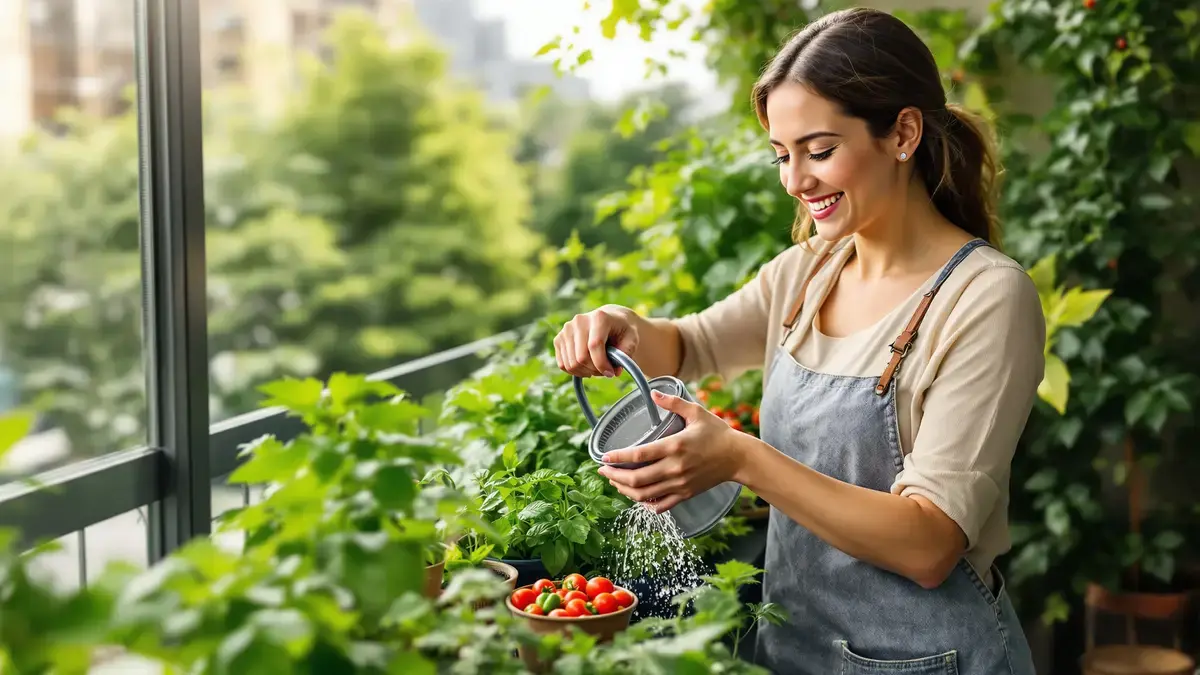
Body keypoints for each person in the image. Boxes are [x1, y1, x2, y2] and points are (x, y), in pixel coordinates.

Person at [553, 7, 1044, 675]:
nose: (795, 180)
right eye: (782, 155)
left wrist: (740, 457)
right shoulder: (809, 270)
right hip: (795, 650)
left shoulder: (985, 296)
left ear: (903, 133)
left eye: (820, 150)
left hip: (934, 659)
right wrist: (621, 325)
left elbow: (930, 543)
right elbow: (689, 345)